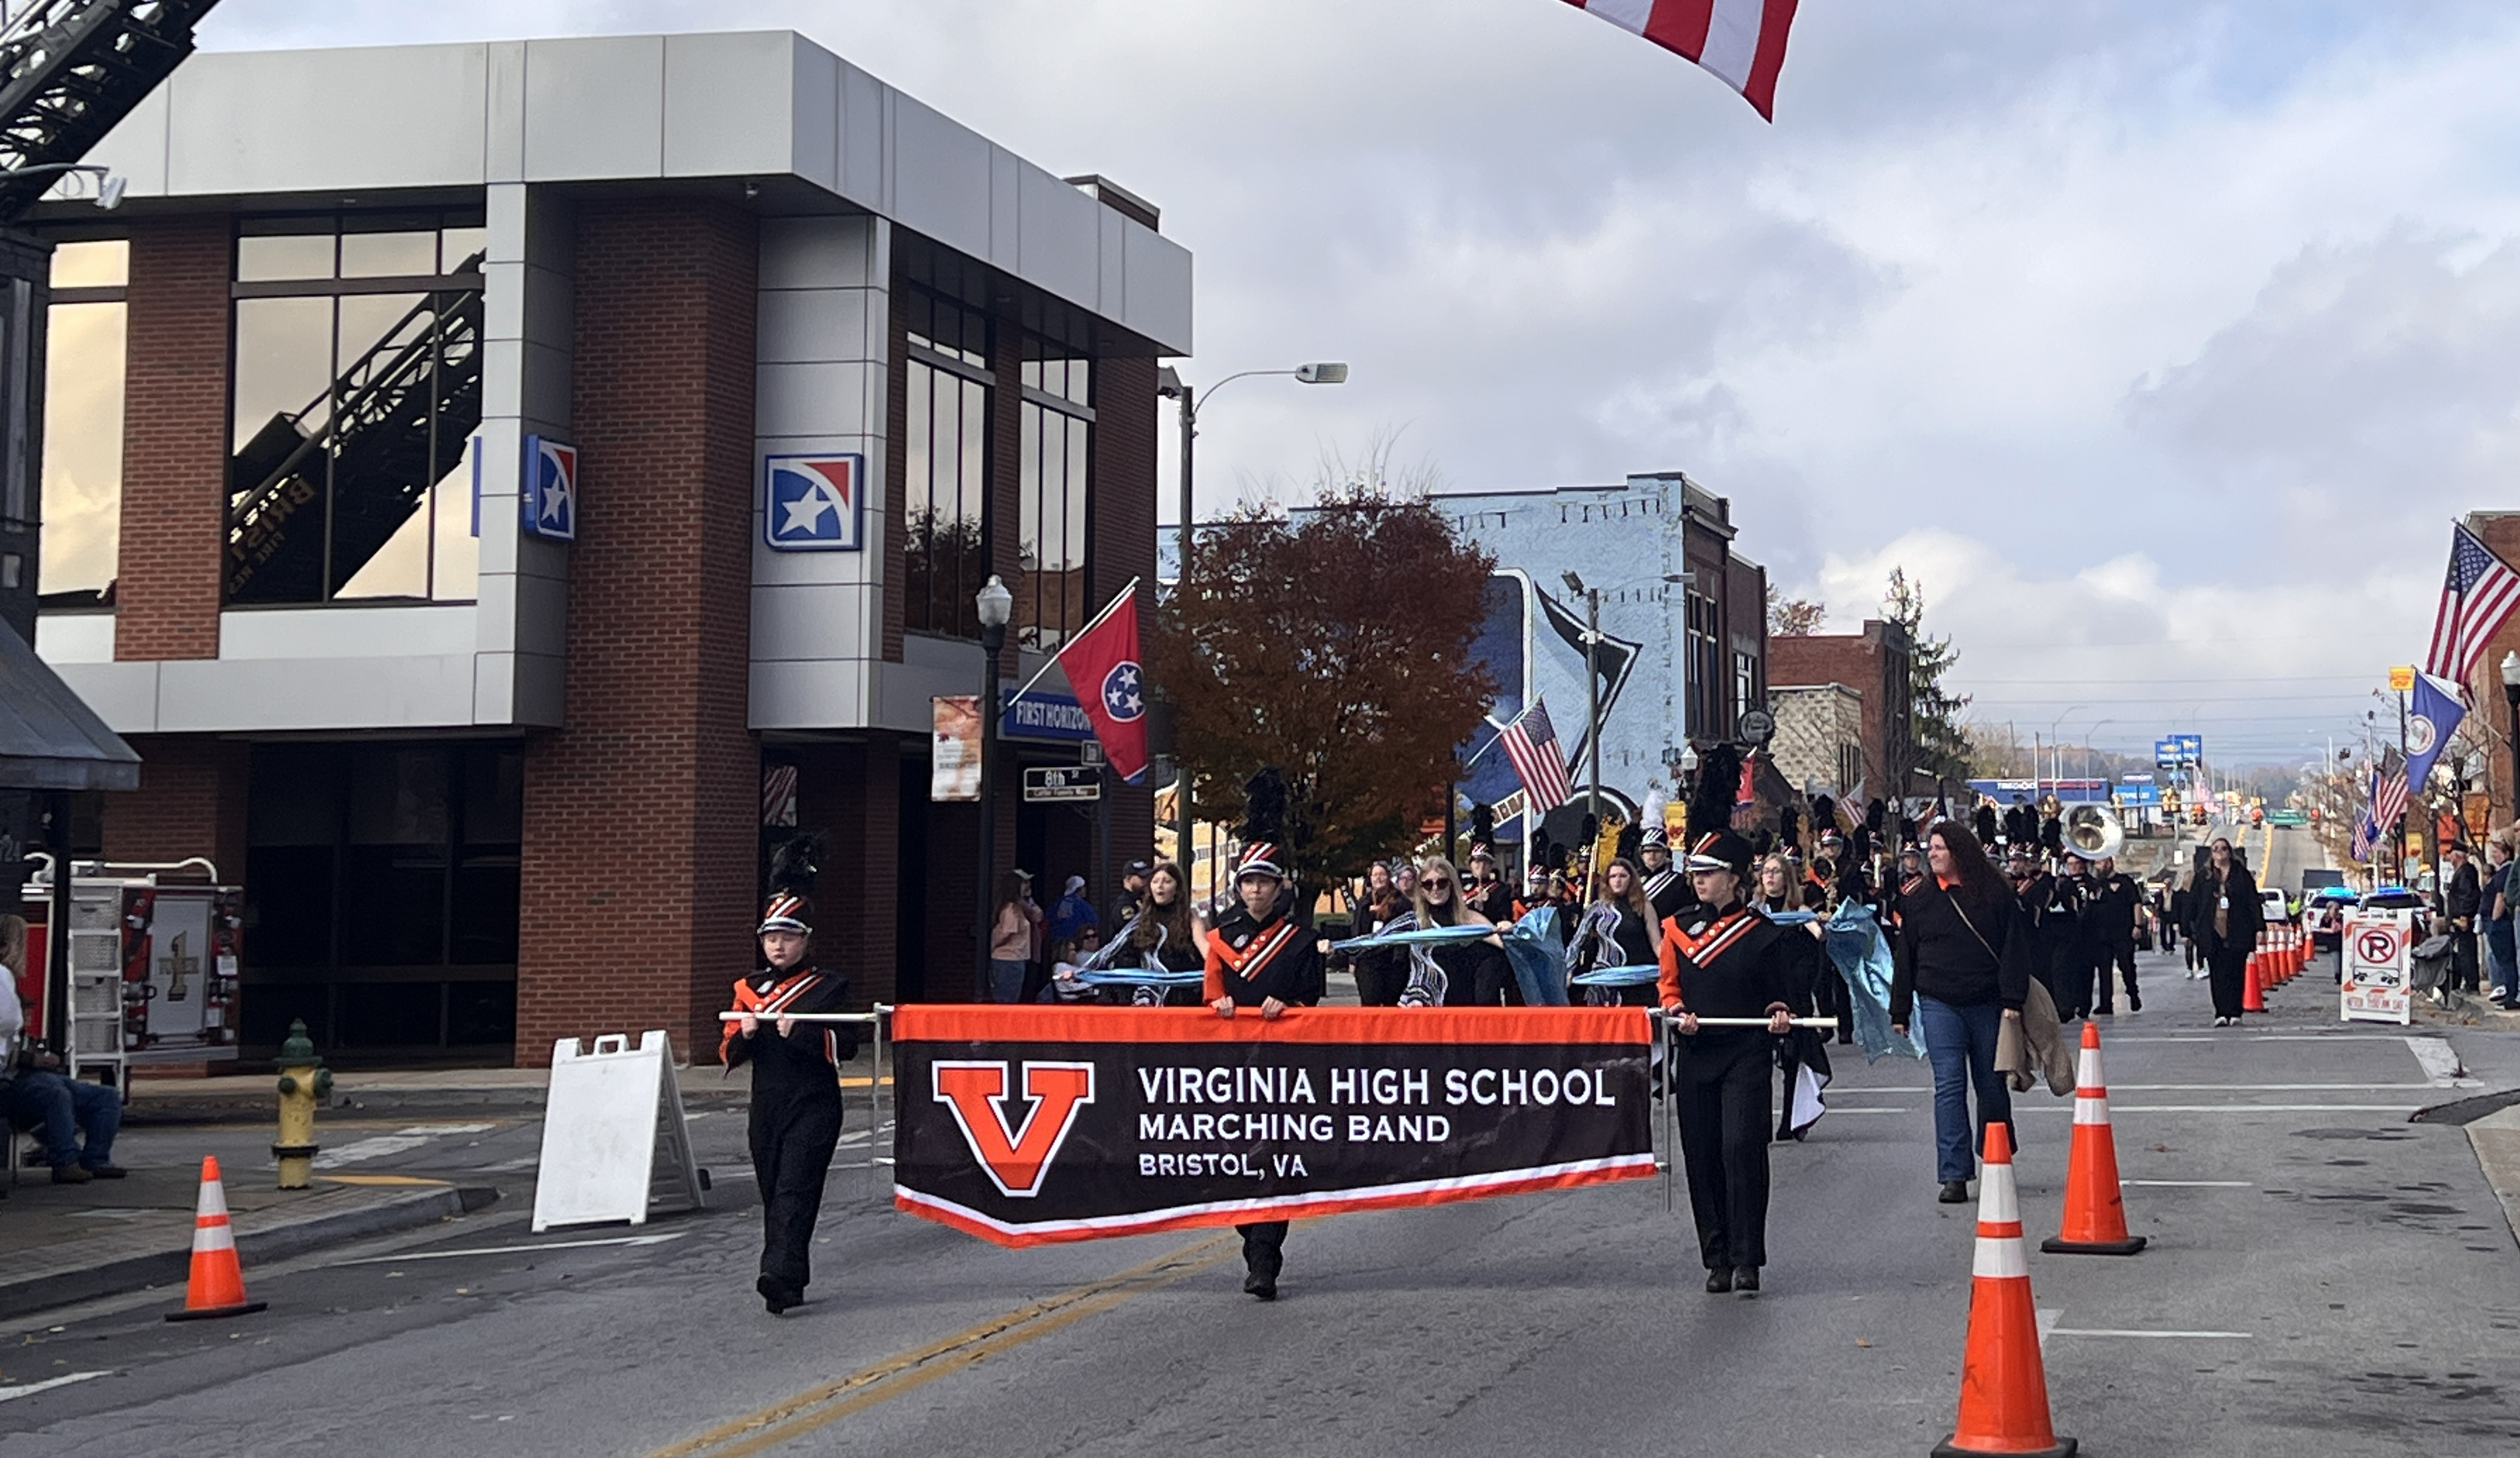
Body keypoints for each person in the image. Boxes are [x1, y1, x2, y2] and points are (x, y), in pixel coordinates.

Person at [1657, 829, 1801, 1293]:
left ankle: (1747, 1258)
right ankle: (1716, 1258)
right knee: (1702, 1154)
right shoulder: (1676, 928)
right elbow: (1669, 986)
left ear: (1734, 878)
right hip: (1697, 1051)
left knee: (1741, 1148)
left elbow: (1779, 993)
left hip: (1745, 1051)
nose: (1699, 881)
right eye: (1696, 872)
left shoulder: (1762, 934)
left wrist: (1779, 1013)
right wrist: (1676, 1012)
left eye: (1709, 873)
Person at [721, 884, 853, 1315]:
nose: (778, 945)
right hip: (767, 1104)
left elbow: (847, 1044)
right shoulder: (749, 988)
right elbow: (726, 1052)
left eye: (789, 937)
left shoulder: (827, 986)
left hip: (814, 1101)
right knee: (773, 1190)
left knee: (797, 1187)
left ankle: (777, 1274)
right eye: (771, 937)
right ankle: (789, 1280)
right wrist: (744, 1034)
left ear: (806, 940)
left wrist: (801, 1031)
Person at [1889, 820, 2035, 1205]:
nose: (1932, 854)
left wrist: (2012, 1000)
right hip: (1939, 1003)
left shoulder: (1993, 894)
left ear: (1958, 851)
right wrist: (1899, 1009)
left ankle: (1996, 1154)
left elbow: (2013, 949)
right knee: (1949, 1085)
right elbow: (1906, 955)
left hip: (1988, 1002)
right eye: (1930, 848)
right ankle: (1953, 1173)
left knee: (1990, 1084)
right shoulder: (1919, 899)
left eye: (1939, 848)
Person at [1205, 839, 1324, 1300]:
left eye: (1264, 882)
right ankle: (1251, 1238)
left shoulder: (1300, 941)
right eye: (1249, 881)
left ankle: (1264, 1258)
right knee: (1234, 1155)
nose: (1256, 890)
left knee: (1276, 1156)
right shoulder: (1221, 936)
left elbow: (1311, 998)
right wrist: (1220, 1003)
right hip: (1231, 1063)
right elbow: (1209, 994)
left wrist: (1289, 1004)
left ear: (1278, 887)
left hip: (1282, 1064)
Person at [0, 915, 124, 1183]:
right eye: (21, 945)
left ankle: (95, 1158)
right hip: (8, 1078)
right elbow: (6, 1027)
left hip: (17, 1072)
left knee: (106, 1097)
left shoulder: (9, 982)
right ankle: (65, 1159)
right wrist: (34, 1059)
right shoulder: (2, 978)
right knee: (54, 1093)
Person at [1399, 857, 1513, 1005]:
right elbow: (1376, 941)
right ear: (1421, 889)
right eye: (1428, 884)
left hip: (1462, 1006)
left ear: (1451, 885)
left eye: (1442, 883)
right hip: (1424, 1006)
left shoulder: (1469, 919)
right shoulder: (1413, 923)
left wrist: (1508, 931)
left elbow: (1504, 943)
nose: (1435, 889)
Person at [2185, 835, 2264, 1027]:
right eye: (2215, 849)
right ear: (2211, 855)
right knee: (2217, 971)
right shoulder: (2204, 877)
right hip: (2212, 930)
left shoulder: (2241, 875)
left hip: (2237, 928)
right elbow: (2193, 904)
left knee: (2236, 971)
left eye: (2223, 849)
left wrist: (2260, 928)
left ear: (2230, 852)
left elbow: (2253, 903)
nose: (2219, 852)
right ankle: (2221, 1012)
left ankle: (2235, 1012)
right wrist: (2187, 929)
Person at [1569, 856, 1664, 1005]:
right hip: (1604, 981)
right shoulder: (1597, 909)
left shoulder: (1644, 906)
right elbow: (1577, 942)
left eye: (1623, 876)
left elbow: (1657, 943)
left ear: (1631, 879)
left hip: (1638, 982)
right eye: (1613, 876)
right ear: (1607, 880)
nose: (1618, 880)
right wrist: (1568, 971)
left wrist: (1670, 968)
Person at [2088, 855, 2142, 1014]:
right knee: (2104, 969)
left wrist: (2137, 925)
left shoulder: (2125, 882)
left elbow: (2136, 903)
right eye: (2096, 863)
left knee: (2126, 965)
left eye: (2101, 862)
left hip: (2123, 932)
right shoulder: (2097, 884)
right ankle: (2105, 1003)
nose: (2098, 866)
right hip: (2102, 934)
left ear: (2110, 863)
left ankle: (2133, 994)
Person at [1353, 862, 1409, 1007]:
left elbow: (1405, 930)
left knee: (1391, 1004)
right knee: (1369, 1003)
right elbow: (1356, 930)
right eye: (1375, 875)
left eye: (1382, 874)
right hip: (1368, 960)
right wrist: (1352, 959)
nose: (1378, 878)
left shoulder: (1400, 901)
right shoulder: (1364, 902)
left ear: (1389, 877)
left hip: (1392, 961)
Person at [987, 871, 1035, 1004]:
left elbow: (1038, 915)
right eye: (1024, 883)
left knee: (1010, 997)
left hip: (1015, 958)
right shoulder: (1011, 909)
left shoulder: (1017, 907)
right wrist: (994, 945)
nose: (1028, 886)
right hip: (1009, 959)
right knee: (1007, 999)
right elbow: (1007, 932)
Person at [2445, 842, 2482, 997]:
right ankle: (2464, 982)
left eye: (2451, 853)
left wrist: (2464, 917)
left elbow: (2468, 896)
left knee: (2466, 952)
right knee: (2461, 952)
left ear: (2458, 855)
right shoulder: (2461, 872)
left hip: (2463, 919)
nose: (2449, 857)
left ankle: (2472, 984)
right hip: (2457, 919)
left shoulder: (2466, 872)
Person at [1638, 825, 1693, 924]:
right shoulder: (1633, 879)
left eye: (1657, 851)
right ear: (1642, 854)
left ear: (1665, 853)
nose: (1652, 855)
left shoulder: (1679, 881)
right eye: (1647, 851)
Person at [2487, 835, 2517, 1009]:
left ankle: (2511, 993)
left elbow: (2501, 897)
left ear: (2506, 853)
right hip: (2500, 923)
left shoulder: (2507, 871)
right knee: (2502, 960)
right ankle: (2507, 991)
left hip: (2501, 923)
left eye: (2496, 852)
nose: (2493, 856)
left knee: (2506, 960)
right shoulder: (2502, 871)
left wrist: (2494, 919)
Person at [1465, 845, 1516, 925]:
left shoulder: (1502, 890)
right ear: (1470, 865)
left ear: (1491, 866)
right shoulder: (1460, 888)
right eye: (1477, 861)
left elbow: (1505, 919)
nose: (1481, 866)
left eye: (1486, 862)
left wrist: (1488, 903)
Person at [1108, 859, 1153, 931]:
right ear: (1128, 879)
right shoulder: (1125, 905)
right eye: (1142, 877)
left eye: (1147, 876)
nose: (1146, 880)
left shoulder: (1143, 899)